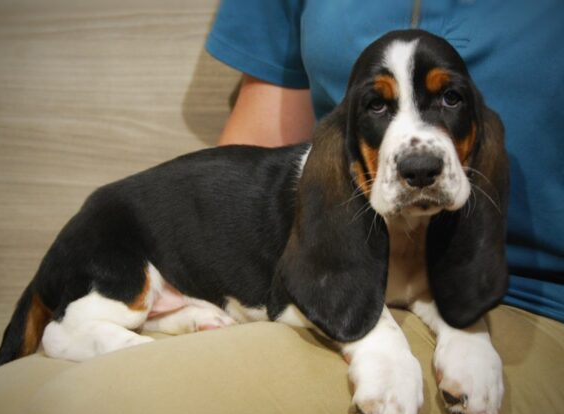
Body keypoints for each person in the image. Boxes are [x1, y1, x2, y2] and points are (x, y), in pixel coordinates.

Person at [205, 0, 564, 323]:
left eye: (451, 99)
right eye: (376, 105)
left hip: (526, 296)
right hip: (344, 267)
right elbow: (258, 155)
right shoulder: (335, 144)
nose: (420, 161)